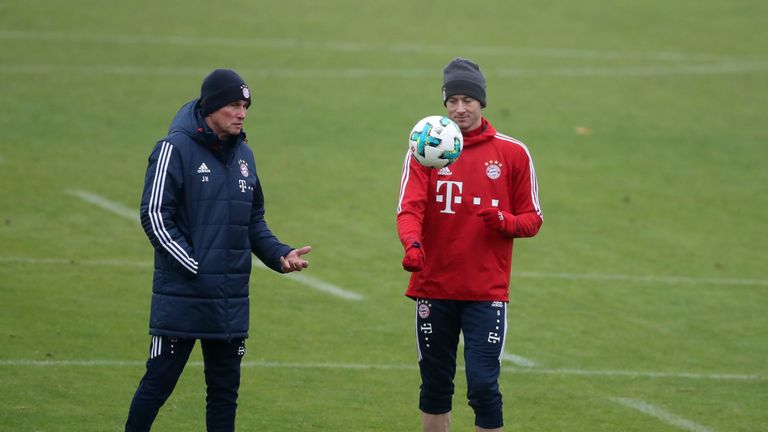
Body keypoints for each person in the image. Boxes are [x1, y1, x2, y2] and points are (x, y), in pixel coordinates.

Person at [125, 68, 311, 432]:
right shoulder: (172, 149)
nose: (241, 113)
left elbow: (253, 221)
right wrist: (195, 266)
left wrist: (279, 254)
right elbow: (155, 216)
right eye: (233, 105)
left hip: (229, 300)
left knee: (225, 394)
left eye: (245, 106)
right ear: (210, 107)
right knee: (158, 384)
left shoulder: (245, 157)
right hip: (183, 296)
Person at [396, 58, 543, 432]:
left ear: (482, 102)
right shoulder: (426, 148)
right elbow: (408, 209)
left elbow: (533, 219)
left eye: (468, 100)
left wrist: (504, 223)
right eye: (453, 100)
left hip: (485, 292)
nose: (460, 108)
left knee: (483, 386)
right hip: (434, 287)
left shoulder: (512, 154)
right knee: (434, 388)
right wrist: (412, 245)